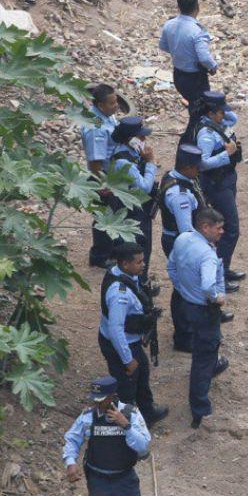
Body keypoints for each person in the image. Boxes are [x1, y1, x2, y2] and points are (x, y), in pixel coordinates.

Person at [167, 207, 230, 428]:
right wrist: (217, 298)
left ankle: (212, 366)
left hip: (185, 303)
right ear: (205, 227)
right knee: (203, 357)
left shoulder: (182, 239)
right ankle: (200, 409)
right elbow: (208, 285)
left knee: (204, 345)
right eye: (218, 228)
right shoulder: (207, 255)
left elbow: (171, 266)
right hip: (203, 309)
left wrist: (182, 289)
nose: (222, 232)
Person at [98, 242, 168, 426]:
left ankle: (147, 412)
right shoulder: (119, 294)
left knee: (142, 372)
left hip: (129, 340)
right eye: (139, 262)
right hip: (122, 344)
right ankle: (126, 426)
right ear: (125, 264)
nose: (143, 265)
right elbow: (116, 330)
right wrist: (127, 359)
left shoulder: (122, 274)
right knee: (127, 386)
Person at [193, 91, 245, 285]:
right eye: (221, 111)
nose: (225, 114)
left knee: (227, 228)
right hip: (217, 184)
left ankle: (223, 268)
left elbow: (233, 118)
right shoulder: (206, 134)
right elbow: (203, 163)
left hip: (227, 178)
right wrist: (226, 154)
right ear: (211, 113)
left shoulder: (218, 122)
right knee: (230, 229)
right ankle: (218, 275)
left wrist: (221, 106)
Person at [159, 144, 206, 352]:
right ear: (187, 168)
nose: (199, 171)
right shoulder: (180, 195)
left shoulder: (173, 176)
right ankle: (184, 336)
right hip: (181, 244)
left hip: (176, 240)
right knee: (184, 289)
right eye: (196, 168)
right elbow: (186, 230)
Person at [108, 117, 158, 287]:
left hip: (138, 209)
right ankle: (137, 286)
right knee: (137, 251)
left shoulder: (133, 153)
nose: (144, 139)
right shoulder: (123, 161)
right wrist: (151, 163)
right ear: (131, 139)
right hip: (131, 212)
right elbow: (144, 187)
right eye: (141, 136)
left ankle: (140, 283)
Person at [82, 84, 123, 269]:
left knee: (113, 212)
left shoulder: (107, 115)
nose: (116, 106)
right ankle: (100, 256)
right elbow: (95, 160)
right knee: (104, 217)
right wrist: (102, 183)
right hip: (102, 175)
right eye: (112, 103)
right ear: (100, 105)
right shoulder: (95, 127)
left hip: (111, 173)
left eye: (116, 101)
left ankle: (111, 250)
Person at [158, 0, 218, 106]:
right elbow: (204, 58)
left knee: (193, 104)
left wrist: (179, 52)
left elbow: (163, 46)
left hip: (178, 75)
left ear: (178, 7)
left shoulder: (169, 24)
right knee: (201, 109)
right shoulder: (198, 31)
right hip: (195, 79)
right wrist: (213, 66)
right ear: (197, 7)